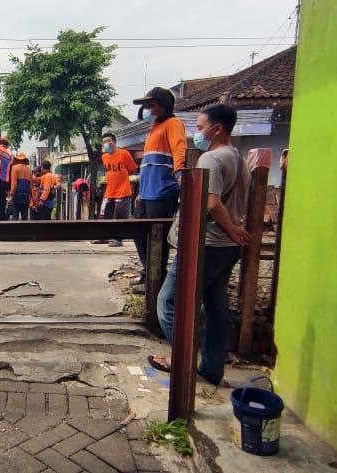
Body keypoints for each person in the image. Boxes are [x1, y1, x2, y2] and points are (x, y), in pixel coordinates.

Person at [147, 104, 250, 386]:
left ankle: (181, 359)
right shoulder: (240, 161)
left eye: (201, 127)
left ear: (217, 128)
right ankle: (212, 369)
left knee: (168, 302)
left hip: (205, 244)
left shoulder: (211, 159)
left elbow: (212, 202)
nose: (197, 133)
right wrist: (233, 232)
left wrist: (230, 228)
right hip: (226, 248)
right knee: (216, 307)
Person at [131, 87, 185, 292]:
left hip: (162, 191)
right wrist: (139, 194)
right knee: (139, 233)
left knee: (157, 238)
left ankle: (156, 279)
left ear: (163, 106)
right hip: (147, 193)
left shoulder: (173, 124)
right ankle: (148, 273)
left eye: (150, 105)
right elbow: (147, 166)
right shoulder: (153, 130)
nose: (147, 110)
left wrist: (180, 175)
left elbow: (179, 149)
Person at [97, 133, 138, 246]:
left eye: (108, 141)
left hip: (123, 191)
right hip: (109, 191)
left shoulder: (124, 154)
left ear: (114, 142)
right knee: (104, 215)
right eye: (104, 141)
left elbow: (133, 169)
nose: (106, 143)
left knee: (120, 216)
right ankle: (103, 237)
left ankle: (118, 239)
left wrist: (130, 183)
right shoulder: (104, 157)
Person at [8, 153, 33, 220]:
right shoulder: (29, 170)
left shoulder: (15, 168)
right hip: (26, 196)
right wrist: (31, 198)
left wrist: (11, 195)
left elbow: (14, 183)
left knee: (15, 217)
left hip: (17, 195)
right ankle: (24, 230)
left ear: (17, 160)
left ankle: (15, 230)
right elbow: (30, 186)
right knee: (25, 217)